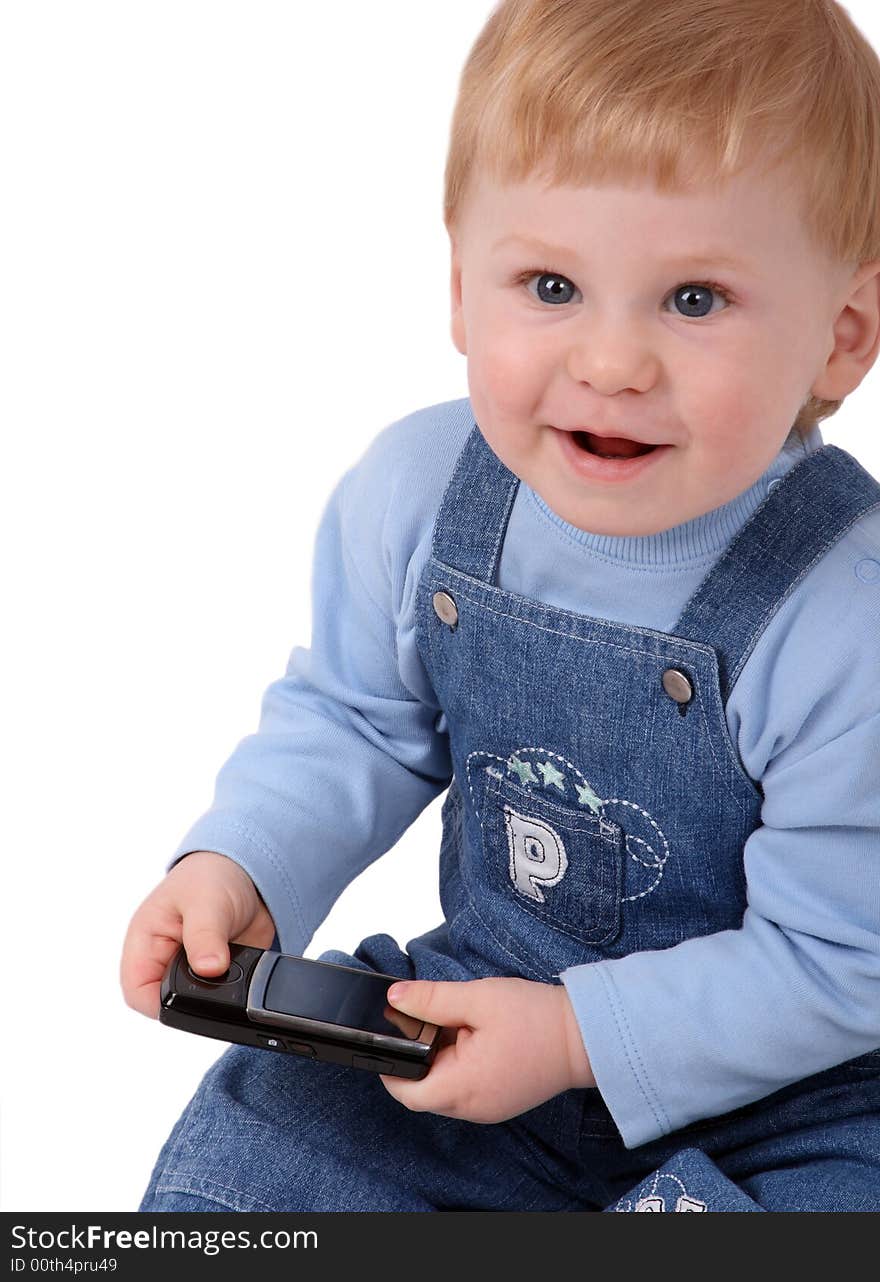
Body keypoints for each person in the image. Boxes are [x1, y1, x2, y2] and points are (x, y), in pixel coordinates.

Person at [123, 0, 880, 1212]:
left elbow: (843, 958)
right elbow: (354, 720)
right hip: (478, 1029)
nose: (612, 361)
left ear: (842, 336)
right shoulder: (423, 495)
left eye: (693, 300)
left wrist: (578, 1037)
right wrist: (245, 866)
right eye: (549, 284)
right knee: (269, 1152)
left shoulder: (845, 615)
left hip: (796, 1098)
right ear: (462, 291)